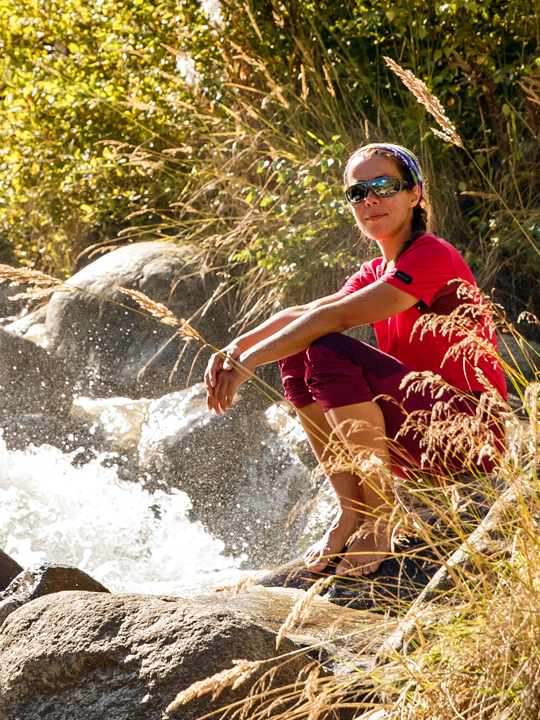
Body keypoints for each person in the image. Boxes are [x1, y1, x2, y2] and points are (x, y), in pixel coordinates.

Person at [203, 143, 507, 578]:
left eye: (384, 185)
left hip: (467, 433)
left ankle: (382, 516)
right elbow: (303, 316)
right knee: (298, 349)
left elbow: (337, 316)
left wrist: (250, 361)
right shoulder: (377, 269)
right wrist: (235, 348)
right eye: (357, 192)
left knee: (325, 347)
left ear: (415, 193)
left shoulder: (433, 255)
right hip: (417, 428)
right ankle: (352, 511)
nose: (370, 200)